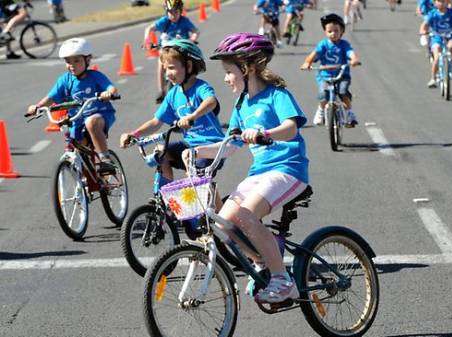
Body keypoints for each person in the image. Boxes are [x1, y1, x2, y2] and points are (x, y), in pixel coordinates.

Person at [185, 32, 309, 303]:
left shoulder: (276, 95)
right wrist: (195, 151)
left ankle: (282, 280)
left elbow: (291, 128)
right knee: (225, 222)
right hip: (260, 173)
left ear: (248, 68)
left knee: (246, 215)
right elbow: (229, 145)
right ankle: (262, 261)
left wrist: (265, 132)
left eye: (229, 72)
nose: (226, 78)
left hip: (288, 168)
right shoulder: (241, 104)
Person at [119, 39, 224, 189]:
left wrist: (192, 117)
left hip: (211, 145)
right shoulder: (173, 94)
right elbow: (156, 122)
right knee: (162, 154)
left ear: (188, 66)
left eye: (171, 68)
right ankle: (166, 198)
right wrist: (134, 134)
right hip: (190, 145)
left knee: (198, 183)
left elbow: (211, 101)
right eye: (165, 69)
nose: (167, 74)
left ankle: (220, 212)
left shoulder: (200, 87)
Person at [26, 38, 119, 172]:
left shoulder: (95, 76)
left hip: (100, 114)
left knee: (91, 123)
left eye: (77, 61)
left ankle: (105, 159)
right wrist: (38, 106)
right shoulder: (65, 80)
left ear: (87, 60)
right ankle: (87, 184)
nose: (72, 65)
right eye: (68, 61)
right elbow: (51, 97)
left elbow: (111, 88)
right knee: (77, 149)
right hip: (77, 119)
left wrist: (108, 93)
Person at [300, 13, 361, 127]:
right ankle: (321, 111)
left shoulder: (344, 44)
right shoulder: (323, 44)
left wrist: (354, 60)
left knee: (343, 92)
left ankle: (349, 113)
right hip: (325, 75)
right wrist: (307, 62)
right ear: (325, 32)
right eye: (330, 31)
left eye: (336, 31)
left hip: (342, 75)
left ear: (341, 31)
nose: (333, 34)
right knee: (324, 94)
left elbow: (350, 53)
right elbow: (314, 54)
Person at [144, 0, 198, 104]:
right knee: (160, 64)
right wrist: (147, 40)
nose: (173, 15)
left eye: (176, 12)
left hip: (181, 50)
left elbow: (196, 31)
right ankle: (161, 91)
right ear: (166, 12)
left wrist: (193, 39)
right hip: (166, 50)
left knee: (191, 63)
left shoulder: (185, 21)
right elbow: (149, 28)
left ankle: (192, 85)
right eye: (170, 12)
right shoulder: (164, 21)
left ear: (180, 11)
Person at [419, 0, 452, 88]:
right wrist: (423, 31)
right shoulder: (432, 13)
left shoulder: (451, 12)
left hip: (450, 34)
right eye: (438, 1)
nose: (441, 3)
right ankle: (433, 78)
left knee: (451, 46)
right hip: (437, 36)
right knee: (436, 57)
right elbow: (424, 25)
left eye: (443, 1)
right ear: (435, 3)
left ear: (447, 2)